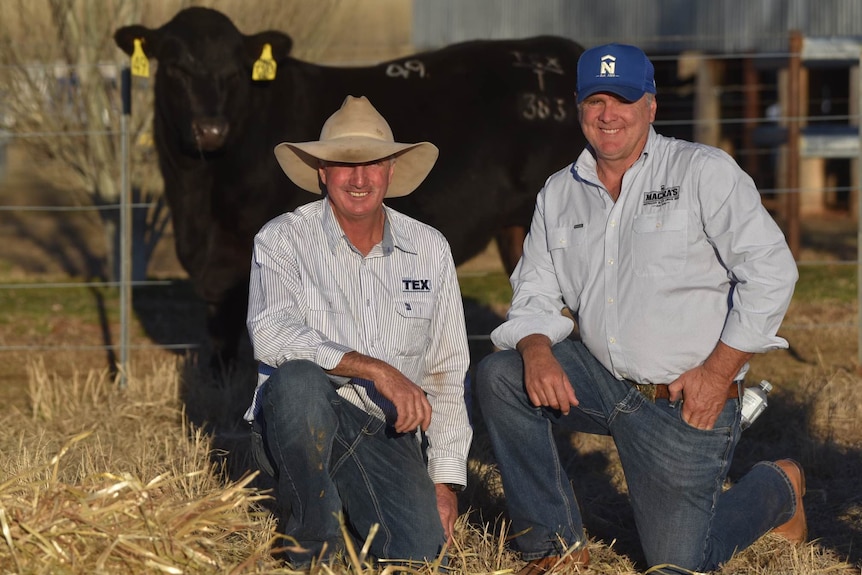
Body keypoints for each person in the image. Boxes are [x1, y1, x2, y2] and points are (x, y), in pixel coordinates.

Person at [475, 43, 804, 575]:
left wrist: (717, 374)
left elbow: (772, 272)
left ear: (650, 106)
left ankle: (779, 486)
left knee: (677, 563)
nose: (609, 114)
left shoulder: (702, 171)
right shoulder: (560, 192)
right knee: (501, 374)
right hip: (603, 381)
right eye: (595, 100)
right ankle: (553, 546)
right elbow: (534, 289)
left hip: (686, 398)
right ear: (578, 107)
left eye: (624, 99)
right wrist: (535, 347)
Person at [244, 95, 472, 568]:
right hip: (303, 419)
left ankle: (347, 507)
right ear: (323, 173)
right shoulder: (281, 239)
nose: (360, 178)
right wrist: (375, 369)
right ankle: (313, 545)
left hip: (388, 433)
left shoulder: (430, 248)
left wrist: (444, 484)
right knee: (299, 382)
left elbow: (448, 371)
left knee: (422, 558)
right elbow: (271, 333)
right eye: (344, 165)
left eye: (372, 164)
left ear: (391, 171)